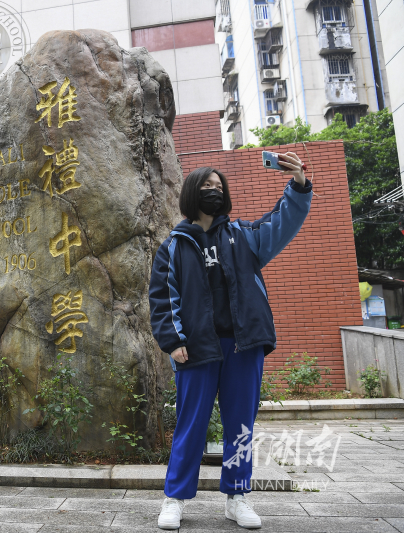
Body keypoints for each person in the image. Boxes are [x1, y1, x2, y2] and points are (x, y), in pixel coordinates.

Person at [149, 153, 311, 530]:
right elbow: (161, 298)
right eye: (206, 187)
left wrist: (299, 185)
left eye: (218, 187)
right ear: (191, 194)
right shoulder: (173, 245)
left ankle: (237, 497)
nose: (214, 192)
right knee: (191, 424)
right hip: (196, 349)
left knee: (240, 425)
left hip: (243, 344)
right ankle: (174, 498)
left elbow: (281, 223)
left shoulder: (243, 236)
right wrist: (172, 341)